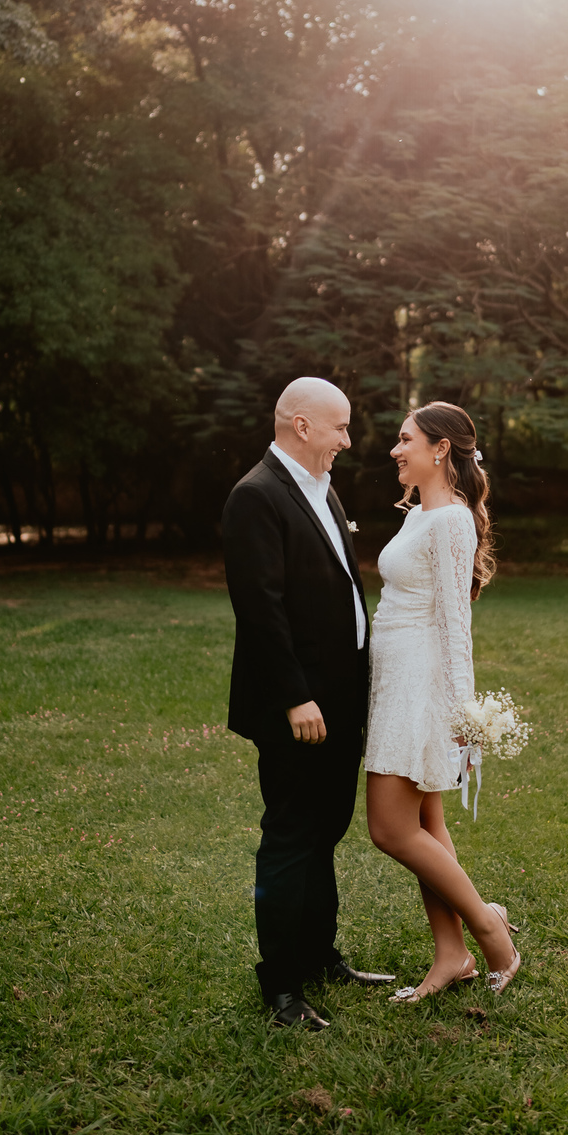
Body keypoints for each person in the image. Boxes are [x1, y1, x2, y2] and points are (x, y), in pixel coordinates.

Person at [222, 376, 394, 1030]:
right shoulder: (256, 496)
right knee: (292, 835)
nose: (347, 440)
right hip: (299, 705)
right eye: (340, 427)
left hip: (341, 699)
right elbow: (259, 610)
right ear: (302, 426)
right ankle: (282, 987)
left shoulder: (322, 487)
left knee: (326, 831)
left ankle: (320, 956)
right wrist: (296, 697)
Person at [365, 401, 522, 1002]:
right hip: (394, 680)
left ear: (440, 449)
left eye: (405, 439)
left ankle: (491, 930)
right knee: (427, 821)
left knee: (390, 829)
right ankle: (452, 955)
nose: (395, 449)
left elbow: (458, 625)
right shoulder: (418, 516)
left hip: (421, 686)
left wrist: (463, 713)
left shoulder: (452, 521)